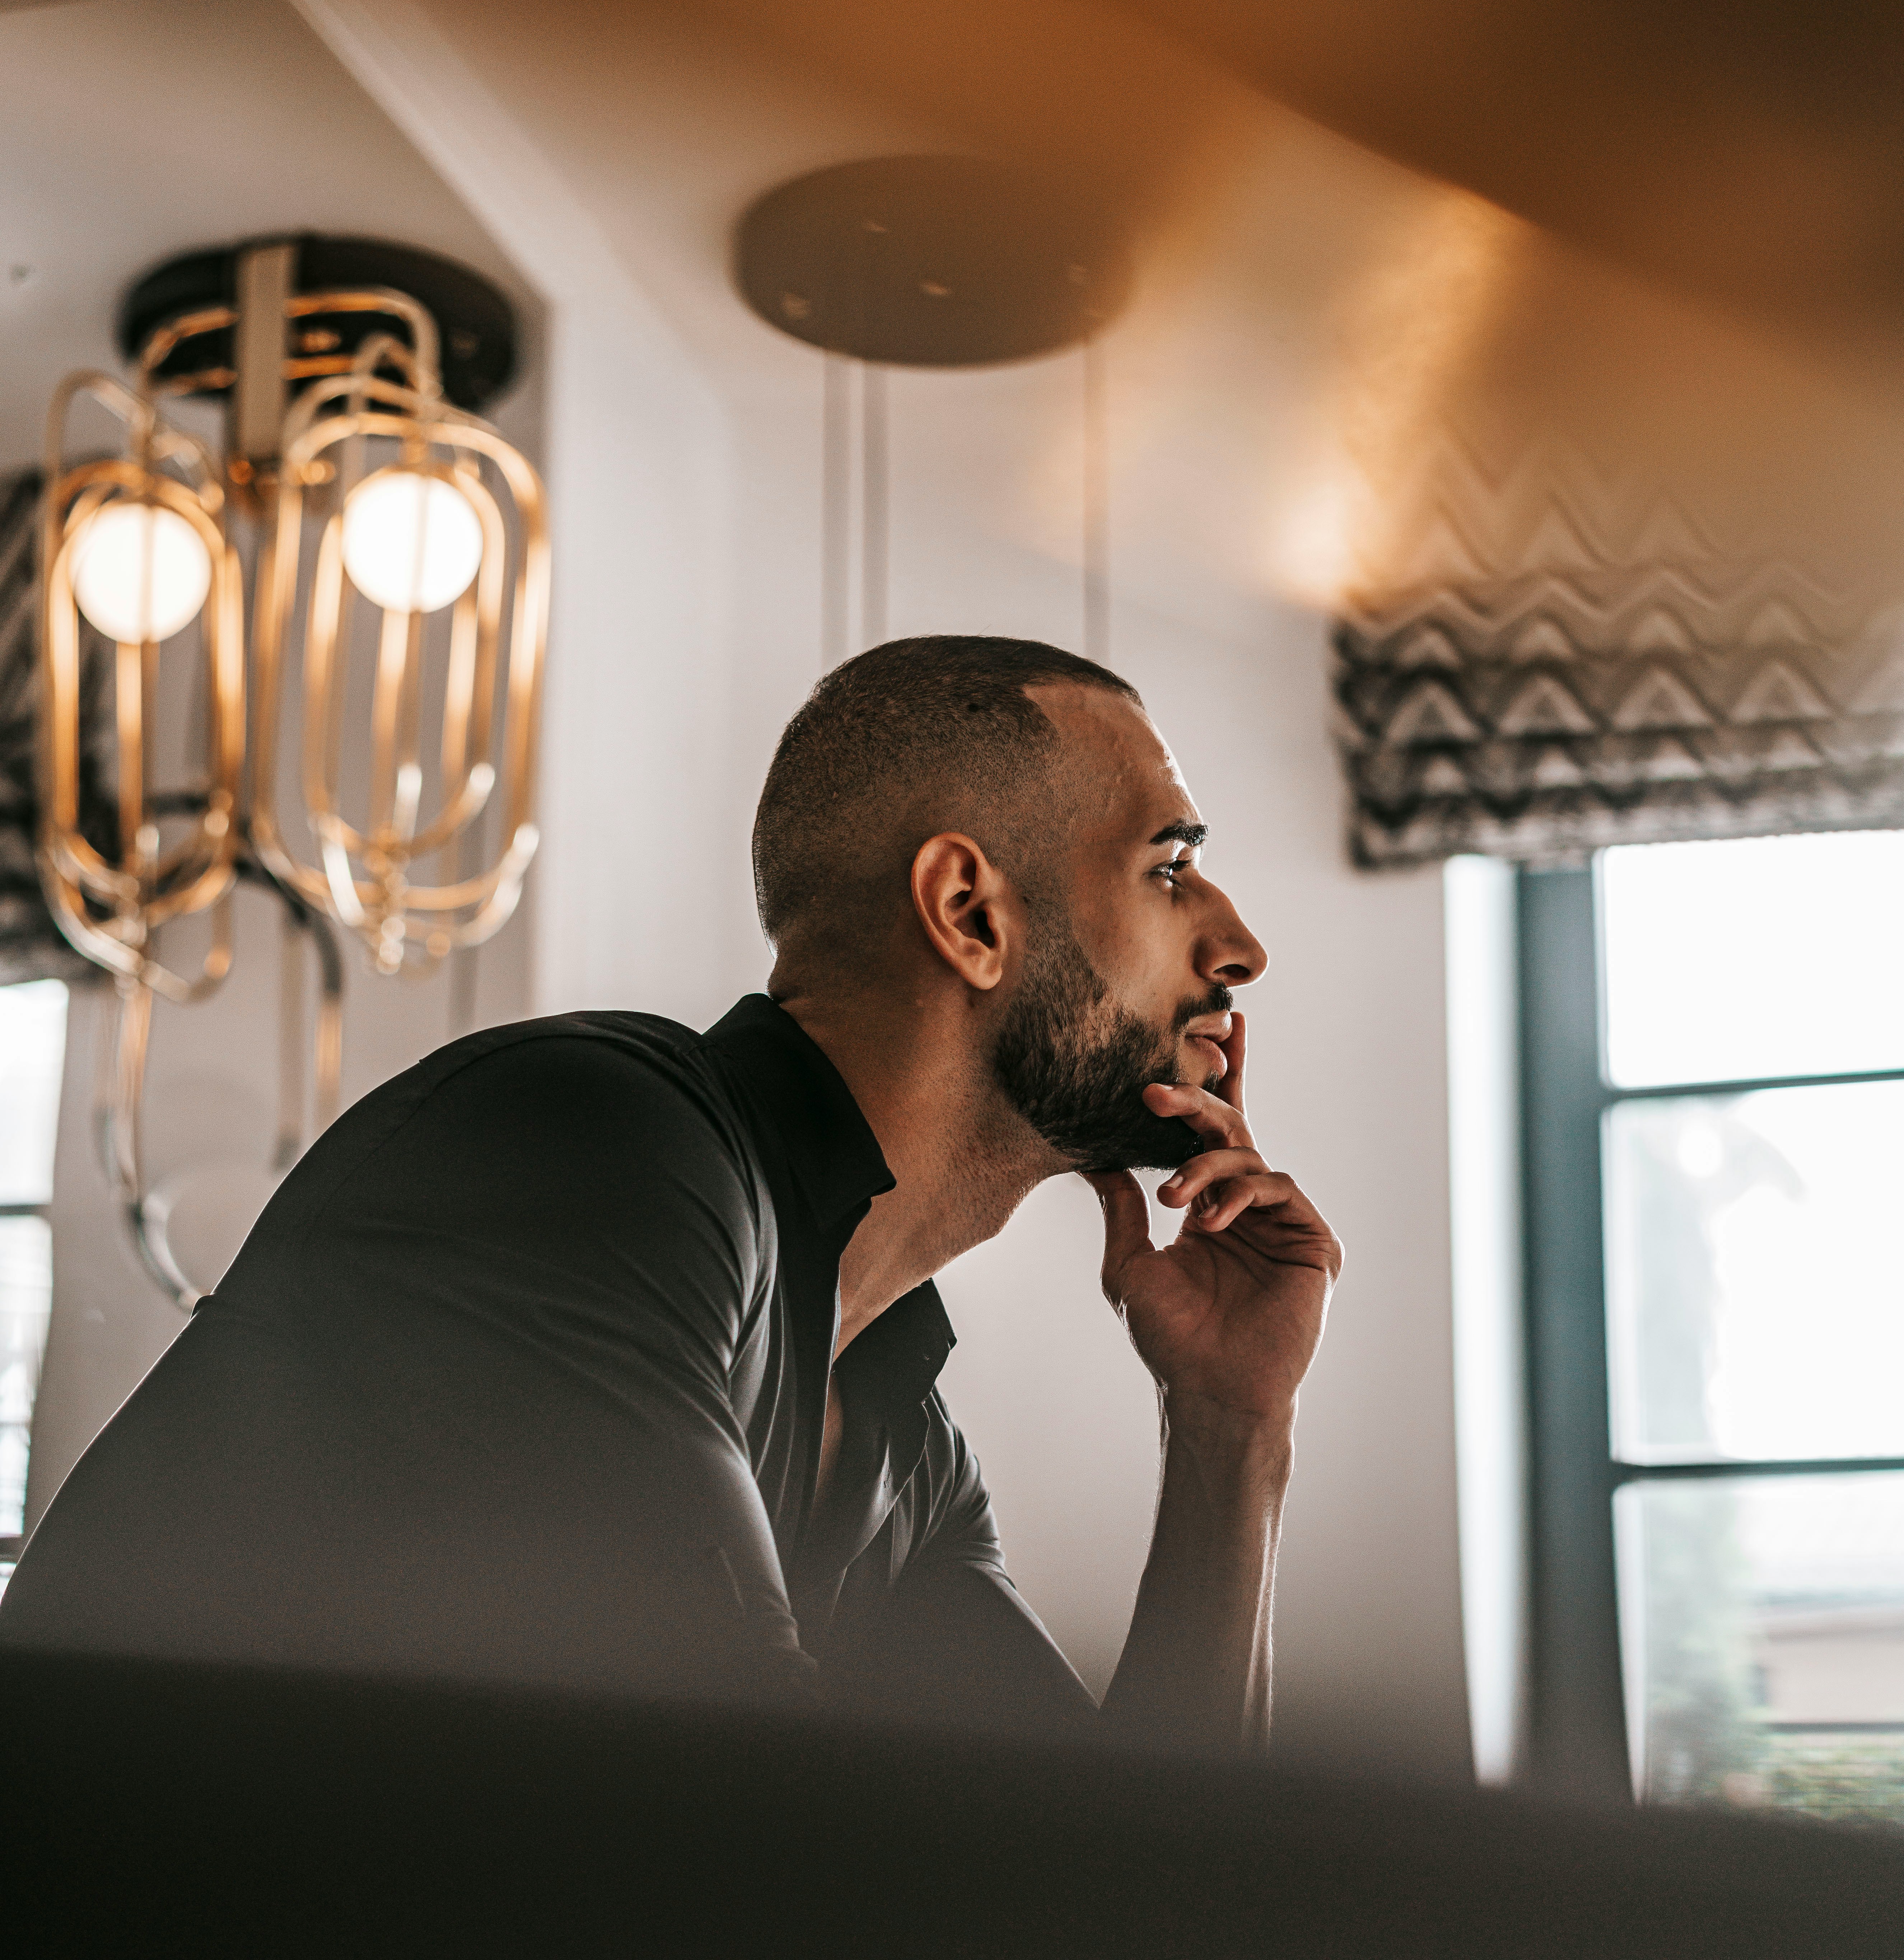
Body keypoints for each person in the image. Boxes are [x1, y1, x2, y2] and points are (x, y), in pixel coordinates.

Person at [2, 637, 1340, 1745]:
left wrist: (1232, 1426)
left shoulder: (900, 1449)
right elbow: (743, 1874)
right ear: (971, 915)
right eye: (1169, 869)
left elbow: (1124, 1919)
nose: (1240, 946)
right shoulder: (593, 1147)